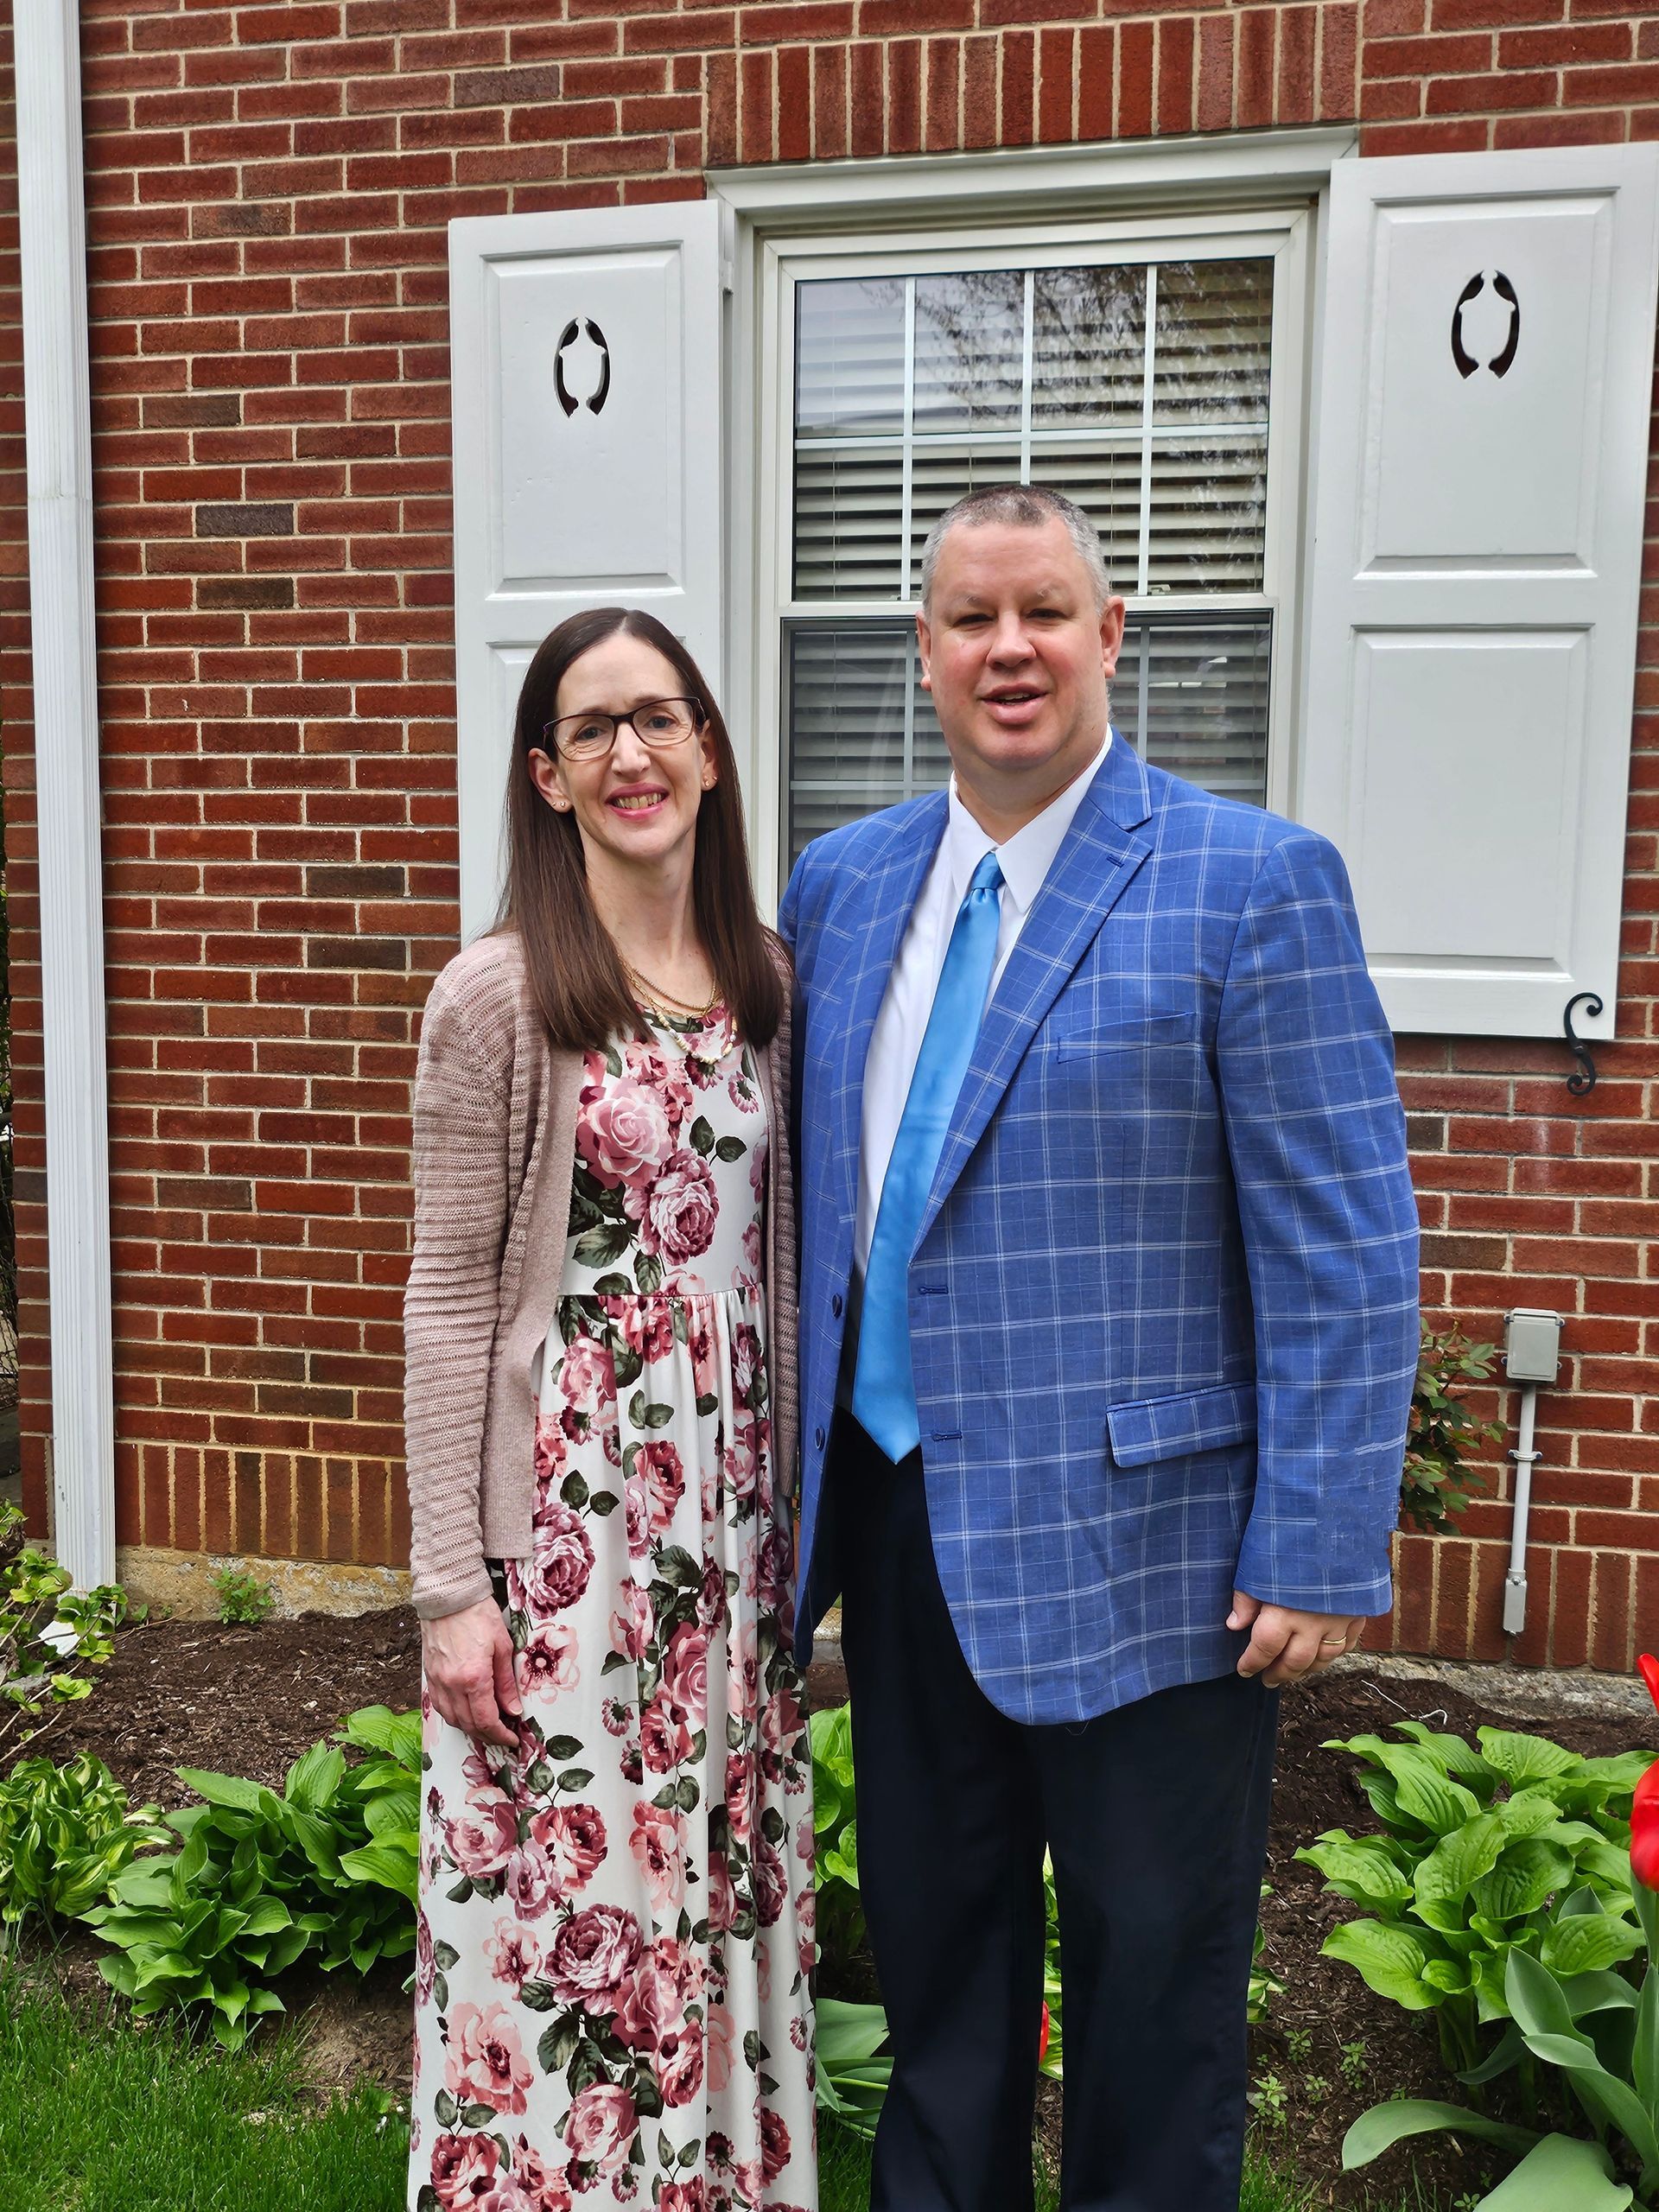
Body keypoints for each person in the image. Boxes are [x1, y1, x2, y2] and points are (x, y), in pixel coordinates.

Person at [779, 485, 1420, 2212]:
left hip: (1158, 1557)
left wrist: (1318, 1532)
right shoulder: (838, 889)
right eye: (972, 617)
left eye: (1045, 611)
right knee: (937, 1973)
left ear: (1111, 633)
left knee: (1154, 1999)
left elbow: (1344, 1238)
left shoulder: (1251, 881)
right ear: (921, 652)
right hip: (906, 1520)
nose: (1010, 648)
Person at [404, 607, 817, 2212]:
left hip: (734, 1530)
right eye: (593, 729)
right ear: (549, 776)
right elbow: (447, 1298)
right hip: (567, 1531)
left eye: (661, 718)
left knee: (715, 1874)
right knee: (561, 1888)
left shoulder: (772, 983)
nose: (632, 752)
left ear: (710, 751)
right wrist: (454, 1586)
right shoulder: (500, 997)